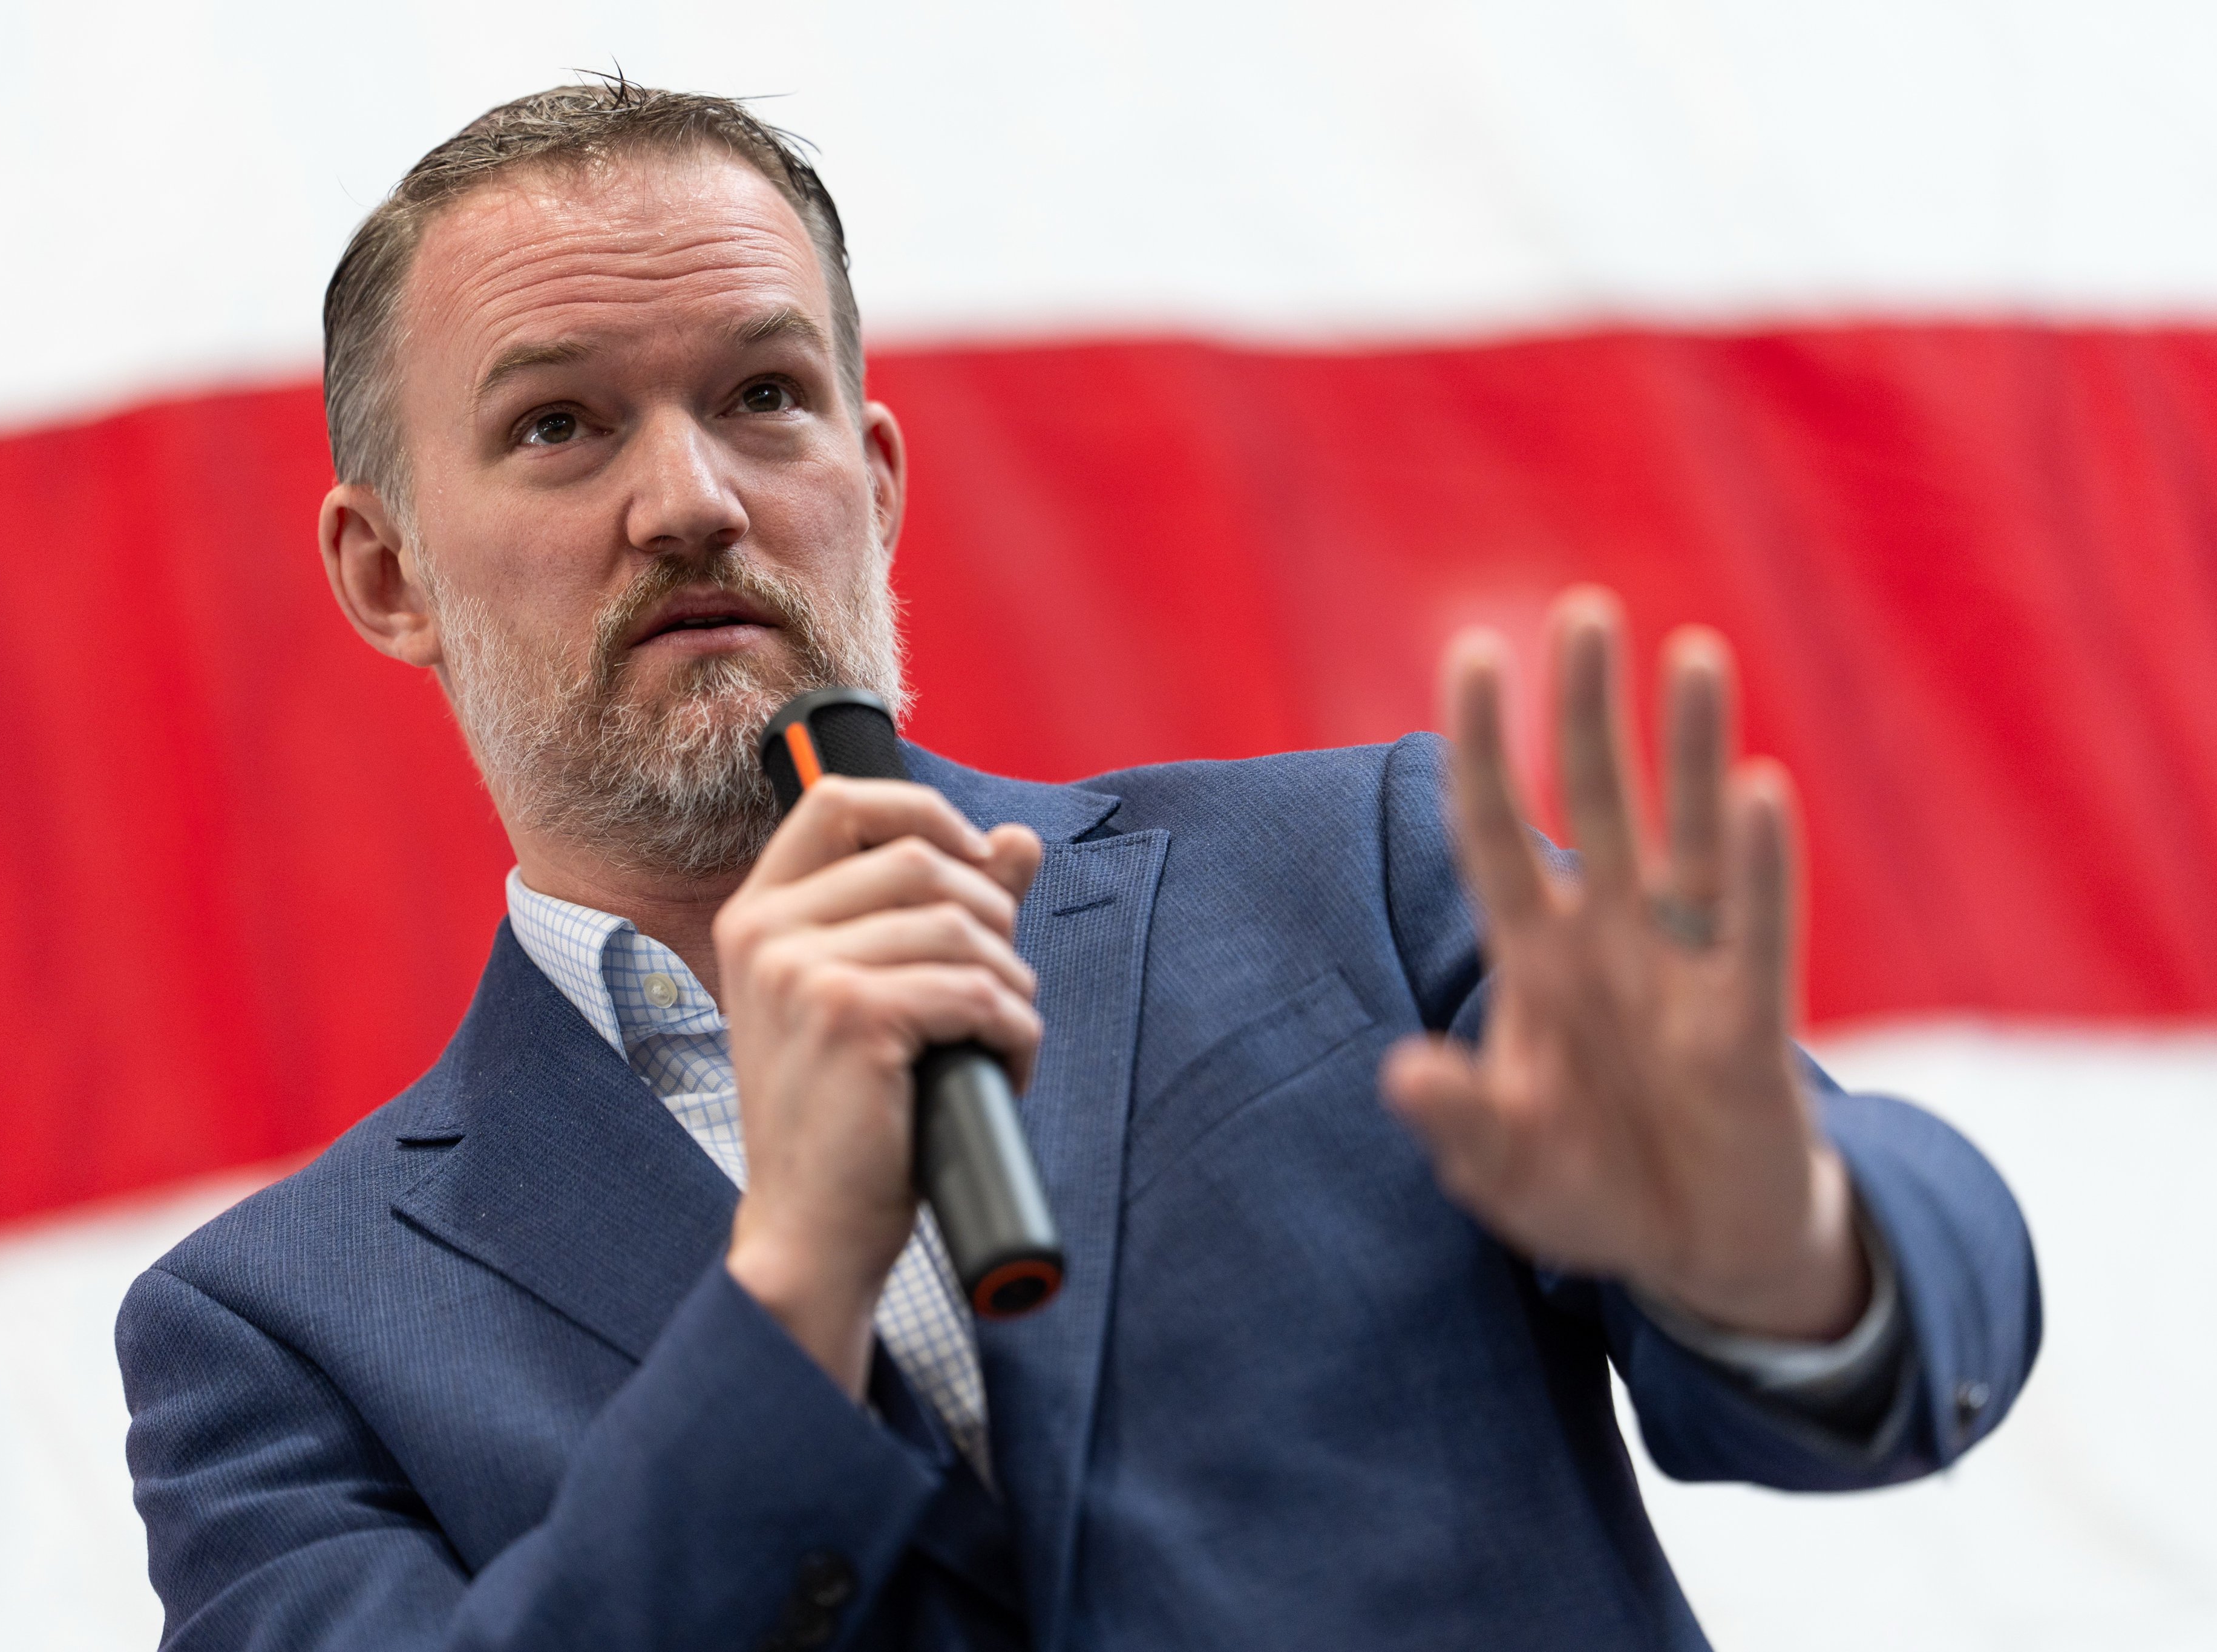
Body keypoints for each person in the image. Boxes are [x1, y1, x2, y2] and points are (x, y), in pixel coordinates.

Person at [117, 81, 2040, 1651]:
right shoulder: (277, 1339)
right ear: (387, 573)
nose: (691, 497)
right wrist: (791, 1285)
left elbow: (1902, 1287)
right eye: (559, 425)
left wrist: (1781, 1242)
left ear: (875, 483)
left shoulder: (1360, 877)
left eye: (764, 396)